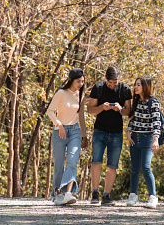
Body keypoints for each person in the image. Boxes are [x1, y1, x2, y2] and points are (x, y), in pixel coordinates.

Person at [88, 66, 132, 205]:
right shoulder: (98, 88)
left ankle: (106, 196)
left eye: (115, 83)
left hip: (116, 133)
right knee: (96, 161)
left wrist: (120, 110)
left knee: (112, 165)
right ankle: (95, 193)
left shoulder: (125, 90)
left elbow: (128, 112)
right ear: (106, 79)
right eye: (110, 82)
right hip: (100, 131)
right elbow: (90, 110)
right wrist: (102, 107)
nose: (113, 85)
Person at [47, 68, 88, 205]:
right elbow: (50, 111)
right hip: (59, 131)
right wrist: (59, 125)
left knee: (72, 161)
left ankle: (68, 193)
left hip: (75, 131)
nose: (81, 84)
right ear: (71, 80)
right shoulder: (61, 93)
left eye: (82, 82)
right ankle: (58, 194)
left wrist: (84, 135)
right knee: (59, 165)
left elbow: (81, 117)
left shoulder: (81, 95)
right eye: (78, 81)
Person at [126, 77, 161, 209]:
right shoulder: (136, 101)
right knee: (134, 168)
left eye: (138, 85)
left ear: (145, 86)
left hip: (148, 138)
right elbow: (133, 119)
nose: (135, 87)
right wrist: (128, 132)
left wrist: (155, 139)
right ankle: (133, 195)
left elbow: (156, 122)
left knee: (146, 167)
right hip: (135, 138)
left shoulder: (153, 102)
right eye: (135, 85)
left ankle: (153, 196)